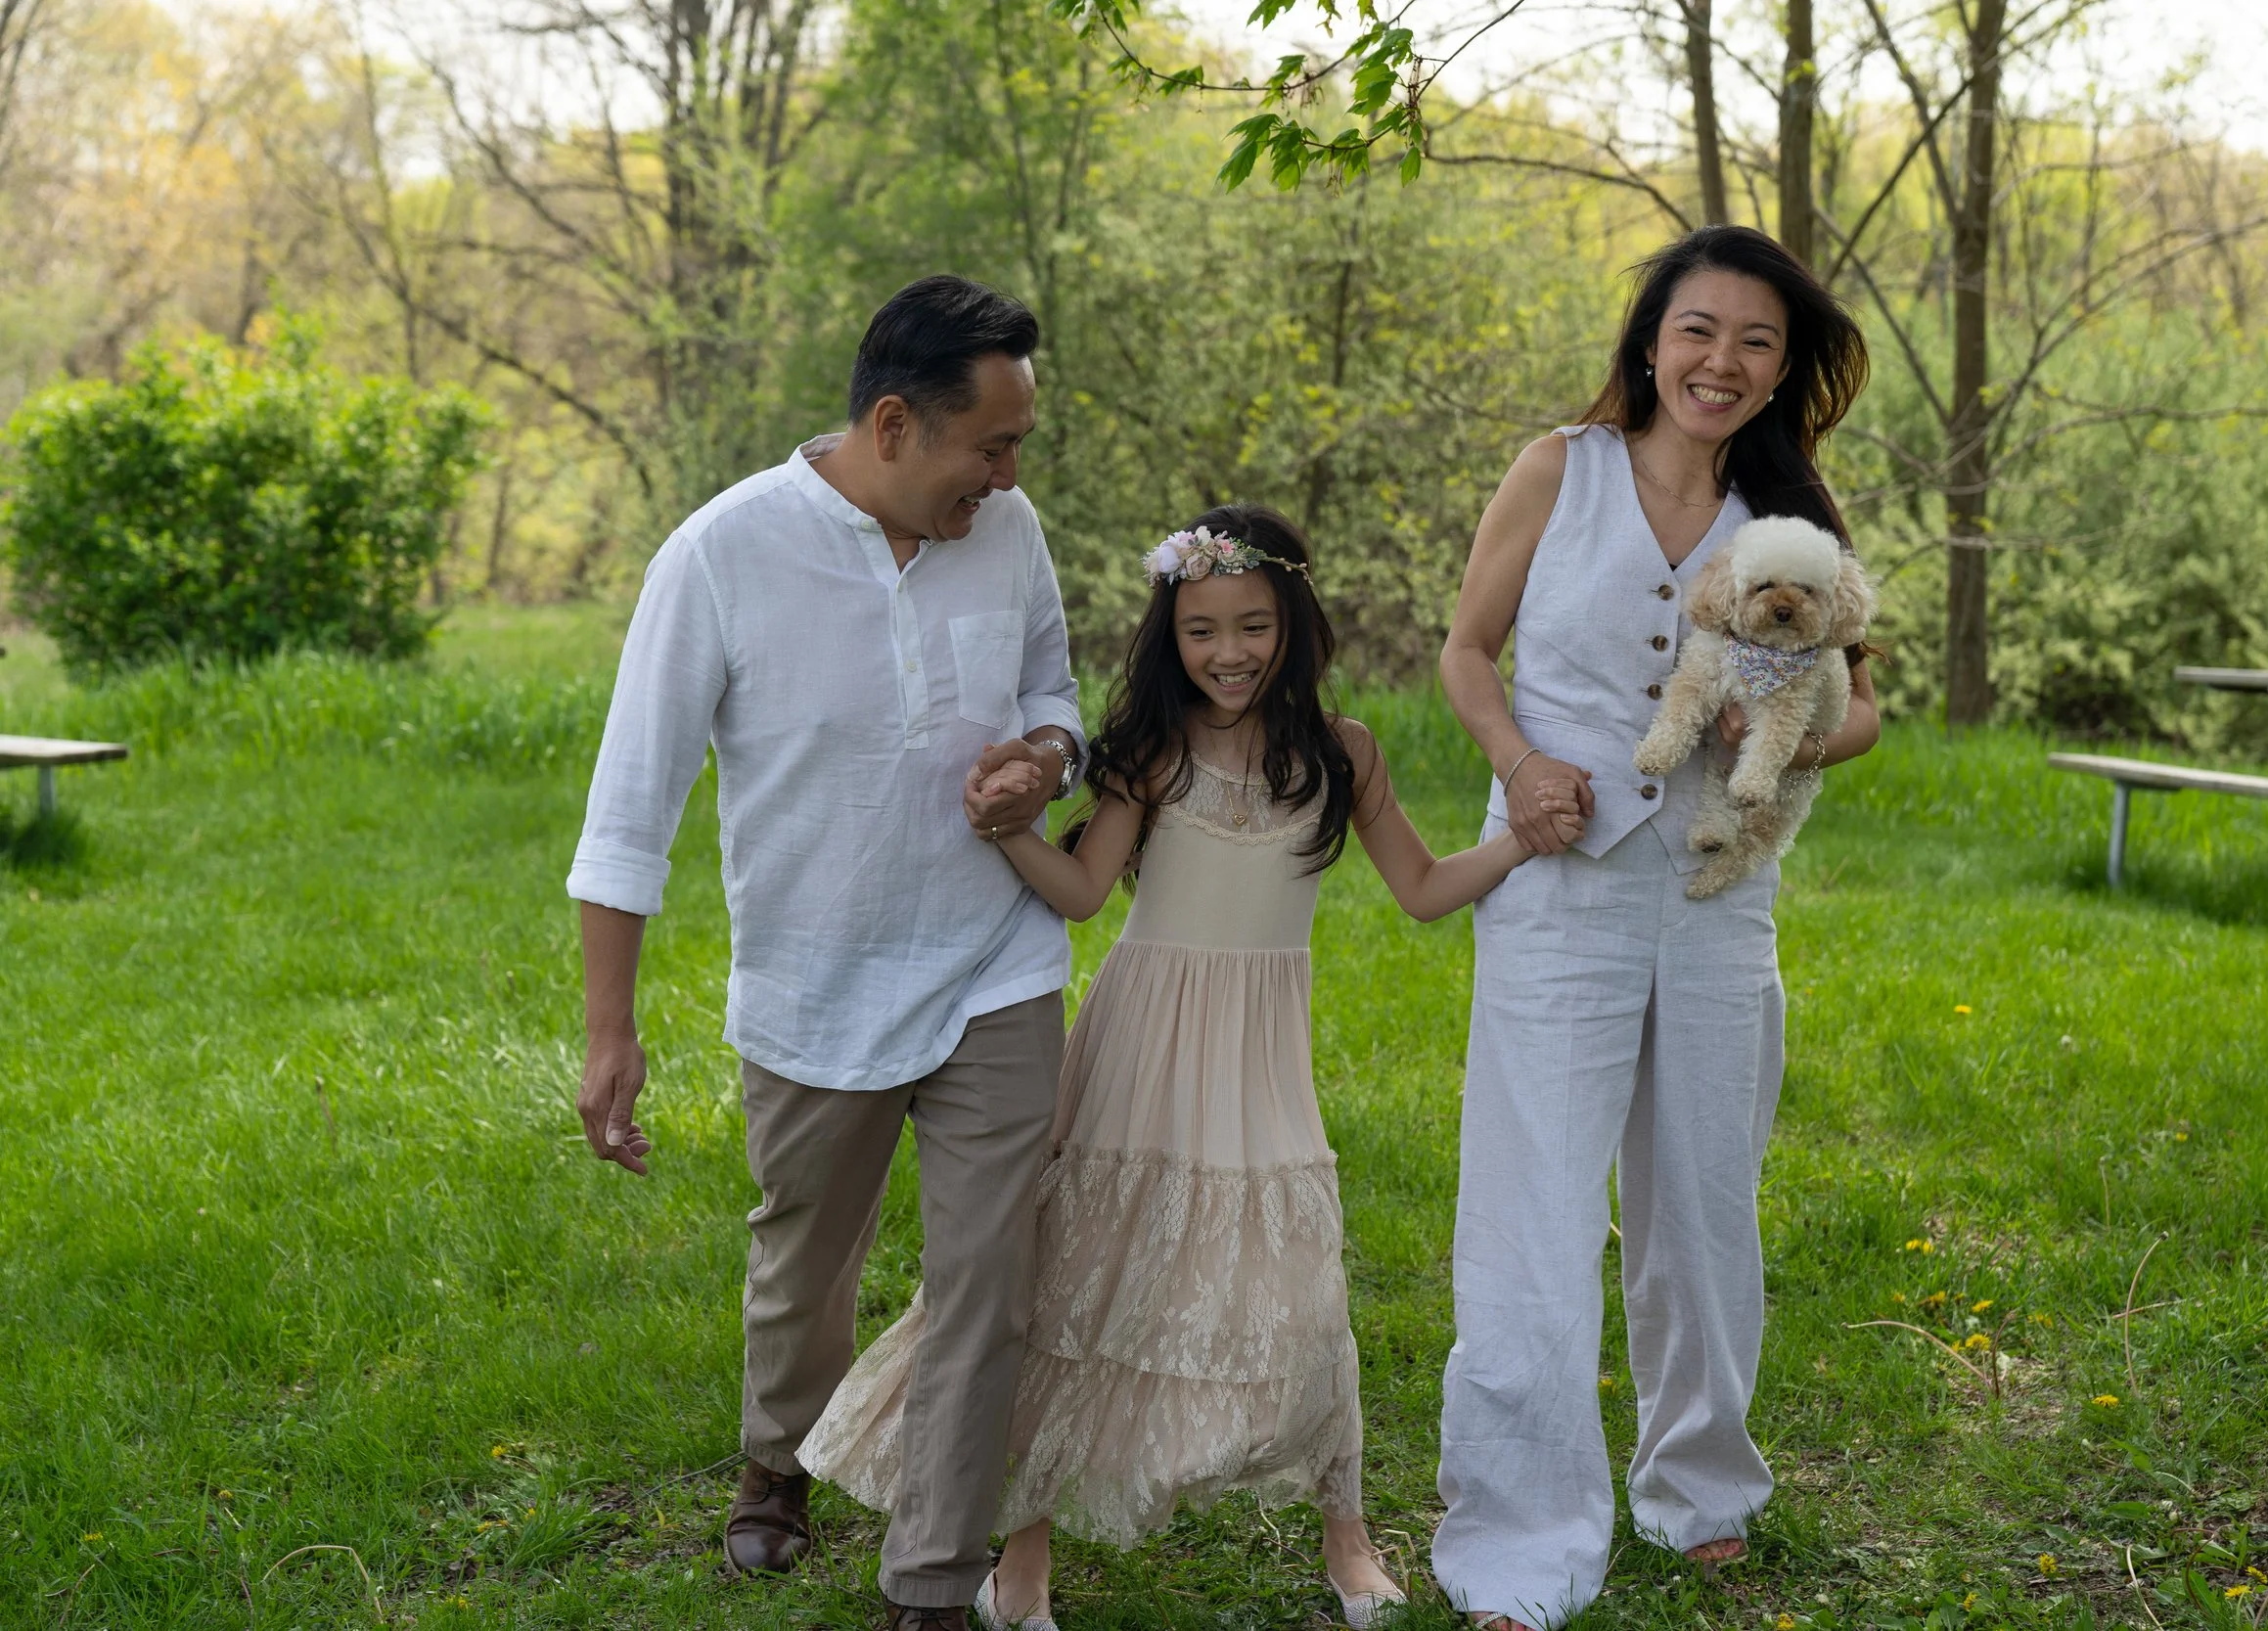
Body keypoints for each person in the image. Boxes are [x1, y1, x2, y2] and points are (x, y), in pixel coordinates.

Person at [800, 506, 1587, 1631]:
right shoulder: (1149, 754)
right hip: (1139, 1036)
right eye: (1203, 629)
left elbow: (1419, 887)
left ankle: (1347, 1536)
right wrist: (1006, 829)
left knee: (1305, 1292)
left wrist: (1521, 835)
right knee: (1076, 1279)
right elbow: (1079, 896)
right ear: (1170, 636)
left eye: (1254, 625)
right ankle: (1019, 1557)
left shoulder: (1341, 750)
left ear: (1293, 625)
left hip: (1259, 1045)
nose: (1229, 651)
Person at [566, 274, 1089, 1631]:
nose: (1012, 471)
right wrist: (609, 1027)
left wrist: (1043, 760)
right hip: (818, 977)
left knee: (992, 1273)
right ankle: (779, 1456)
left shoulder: (1009, 528)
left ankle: (929, 1572)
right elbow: (632, 804)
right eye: (995, 442)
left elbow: (1053, 689)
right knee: (807, 1254)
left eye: (1020, 443)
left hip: (997, 963)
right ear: (900, 423)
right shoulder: (722, 554)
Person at [1430, 225, 1879, 1629]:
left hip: (1715, 893)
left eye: (1756, 341)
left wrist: (1791, 739)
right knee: (1533, 1210)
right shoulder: (1556, 468)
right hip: (1561, 884)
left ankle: (1701, 1488)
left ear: (1781, 368)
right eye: (1698, 330)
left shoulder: (1791, 509)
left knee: (1701, 1201)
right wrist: (1517, 763)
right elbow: (1463, 650)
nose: (1722, 361)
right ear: (1649, 337)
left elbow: (1862, 706)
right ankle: (1519, 1533)